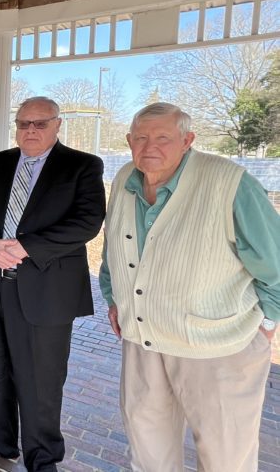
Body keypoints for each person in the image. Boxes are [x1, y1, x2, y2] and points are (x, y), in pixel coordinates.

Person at [99, 102, 279, 472]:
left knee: (225, 457)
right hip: (143, 342)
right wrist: (113, 297)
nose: (150, 147)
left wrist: (266, 325)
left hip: (218, 348)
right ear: (129, 141)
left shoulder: (230, 184)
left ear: (188, 140)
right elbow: (113, 248)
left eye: (163, 137)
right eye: (141, 138)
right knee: (148, 451)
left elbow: (275, 264)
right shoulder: (123, 180)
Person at [0, 97, 105, 470]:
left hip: (44, 292)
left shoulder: (82, 166)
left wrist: (25, 247)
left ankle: (42, 457)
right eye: (23, 123)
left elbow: (87, 221)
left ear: (58, 125)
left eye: (40, 124)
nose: (30, 131)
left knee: (41, 380)